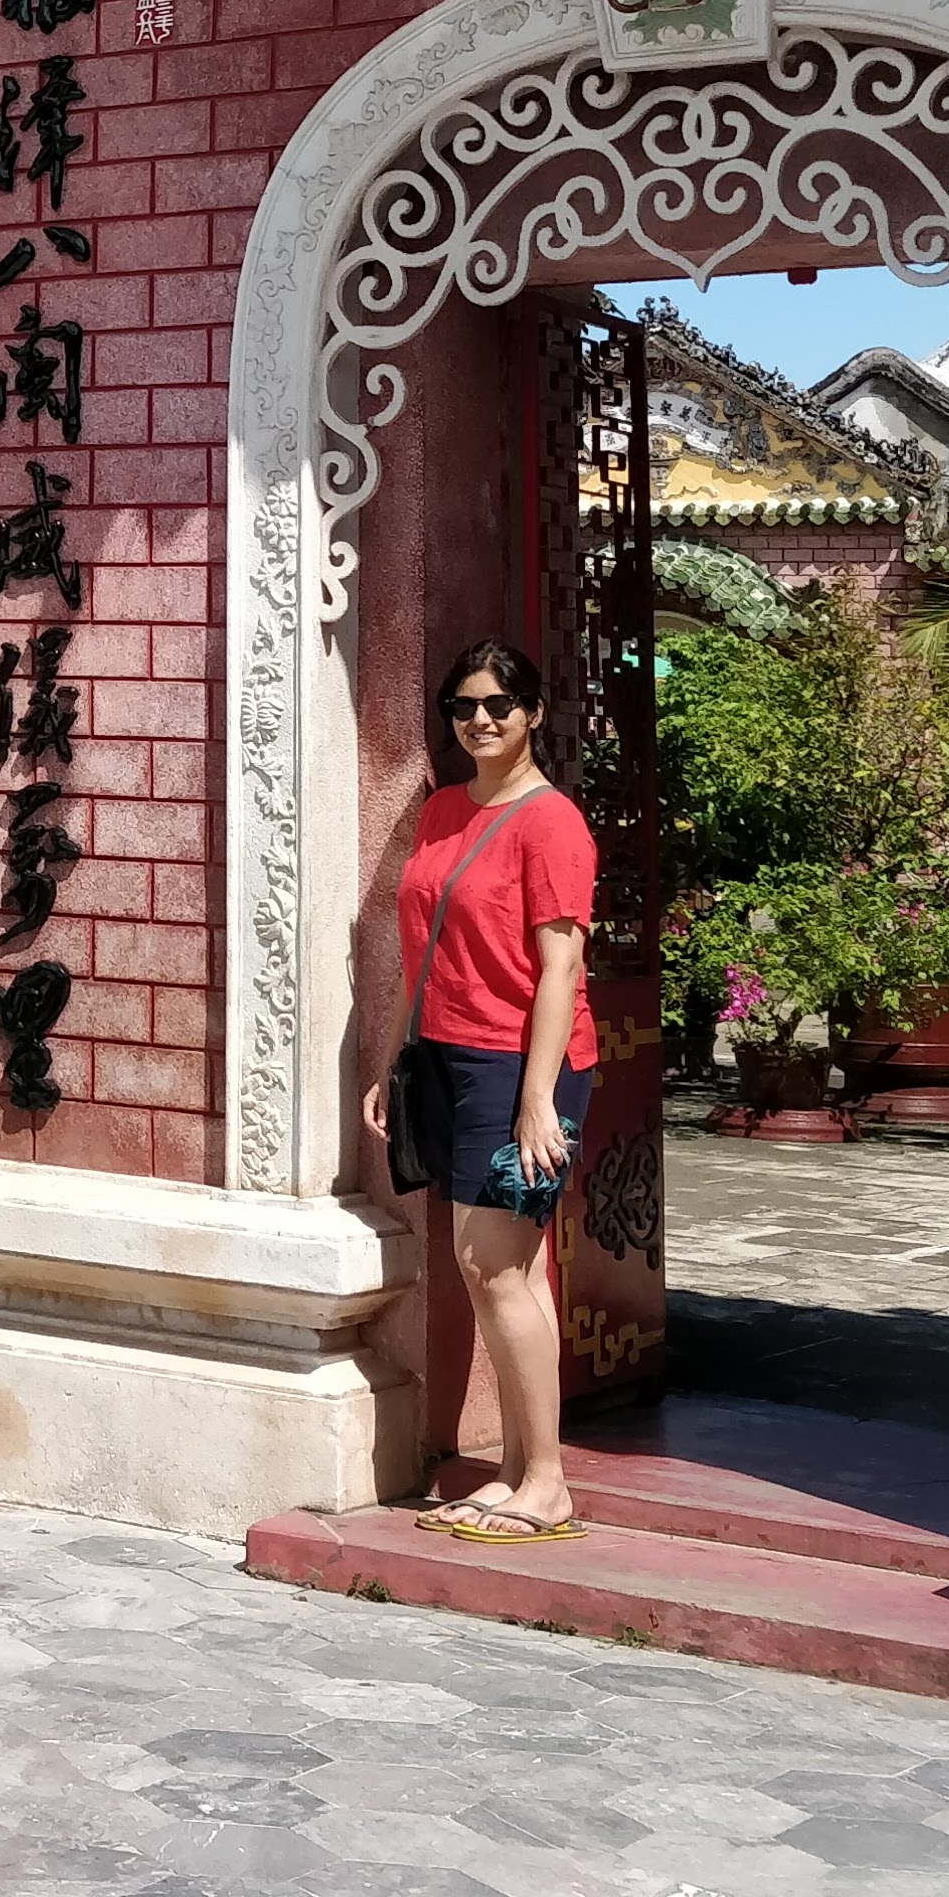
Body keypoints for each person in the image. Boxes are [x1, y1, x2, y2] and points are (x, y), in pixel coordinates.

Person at [360, 637, 598, 1541]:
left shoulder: (553, 824)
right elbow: (417, 952)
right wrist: (394, 1055)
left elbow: (561, 966)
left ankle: (549, 1483)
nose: (481, 721)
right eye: (464, 707)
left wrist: (537, 1099)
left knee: (490, 1262)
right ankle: (515, 1469)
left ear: (533, 714)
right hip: (449, 1058)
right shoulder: (442, 812)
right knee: (509, 1267)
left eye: (500, 705)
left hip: (525, 1067)